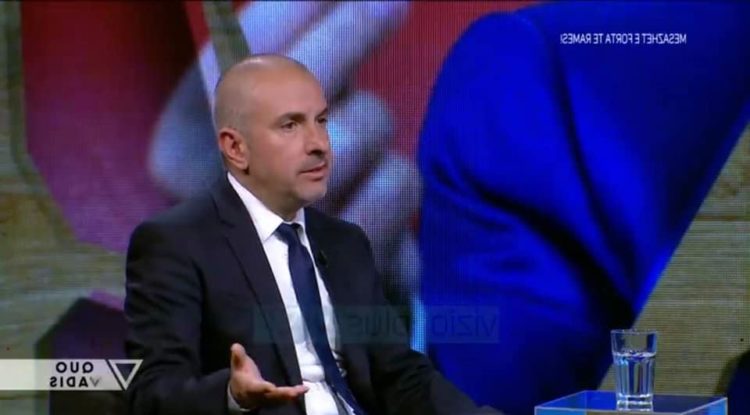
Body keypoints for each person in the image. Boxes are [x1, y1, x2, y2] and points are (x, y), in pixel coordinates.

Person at [125, 54, 497, 415]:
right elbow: (150, 393)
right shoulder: (171, 244)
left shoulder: (347, 242)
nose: (318, 142)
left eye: (320, 121)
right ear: (236, 147)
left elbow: (400, 376)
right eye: (289, 125)